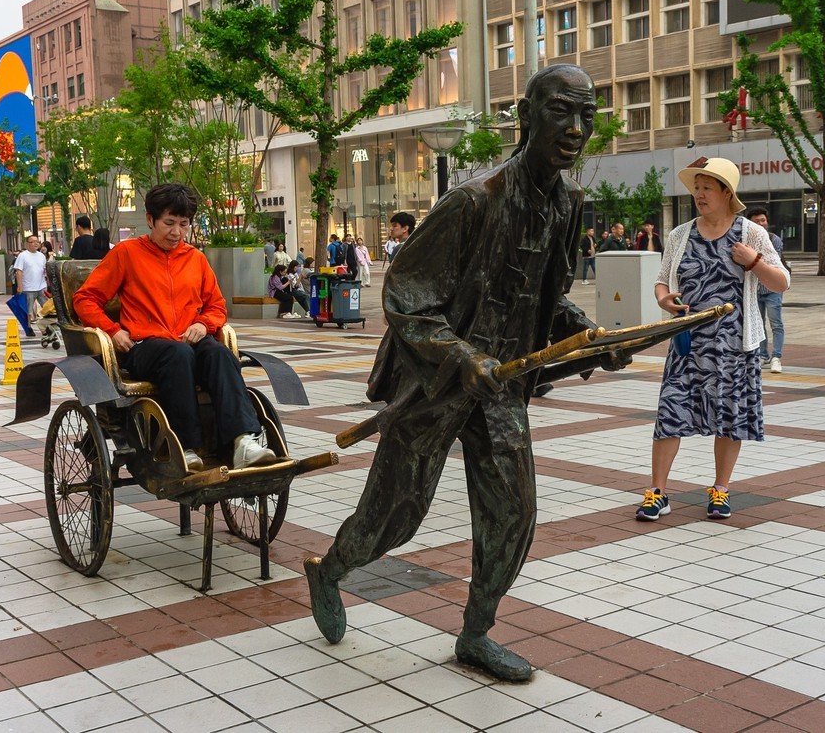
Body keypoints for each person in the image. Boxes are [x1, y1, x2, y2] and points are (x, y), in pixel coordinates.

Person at [304, 65, 616, 683]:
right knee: (398, 510)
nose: (576, 129)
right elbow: (406, 296)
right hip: (438, 379)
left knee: (513, 511)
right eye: (561, 112)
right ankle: (331, 570)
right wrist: (462, 356)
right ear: (527, 118)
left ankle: (475, 633)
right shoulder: (474, 201)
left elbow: (546, 298)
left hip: (504, 387)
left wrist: (586, 338)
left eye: (587, 115)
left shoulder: (567, 203)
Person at [73, 182, 278, 471]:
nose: (176, 232)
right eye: (169, 223)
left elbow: (217, 306)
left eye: (183, 224)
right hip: (145, 346)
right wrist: (112, 329)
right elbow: (85, 299)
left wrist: (203, 323)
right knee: (178, 355)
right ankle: (185, 446)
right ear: (150, 220)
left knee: (221, 355)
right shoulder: (127, 253)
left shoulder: (195, 259)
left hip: (189, 340)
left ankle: (243, 441)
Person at [636, 157, 789, 525]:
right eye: (696, 188)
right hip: (688, 343)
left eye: (707, 188)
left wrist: (753, 262)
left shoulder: (751, 234)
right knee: (670, 413)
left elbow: (781, 282)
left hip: (735, 345)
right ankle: (657, 492)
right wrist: (662, 298)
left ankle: (720, 489)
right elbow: (662, 279)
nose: (699, 195)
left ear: (726, 193)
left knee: (729, 419)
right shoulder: (680, 234)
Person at [747, 207, 786, 372]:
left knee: (776, 323)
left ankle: (776, 357)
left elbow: (768, 264)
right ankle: (763, 356)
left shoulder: (774, 240)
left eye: (763, 220)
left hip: (772, 289)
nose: (761, 224)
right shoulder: (746, 241)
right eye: (757, 222)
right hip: (755, 289)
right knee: (759, 324)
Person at [13, 235, 48, 323]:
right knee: (28, 310)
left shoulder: (41, 256)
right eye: (32, 242)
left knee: (47, 308)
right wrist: (19, 285)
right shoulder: (23, 255)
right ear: (28, 244)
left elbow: (44, 270)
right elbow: (18, 271)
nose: (36, 243)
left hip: (42, 287)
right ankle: (28, 328)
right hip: (28, 288)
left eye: (37, 241)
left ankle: (49, 327)